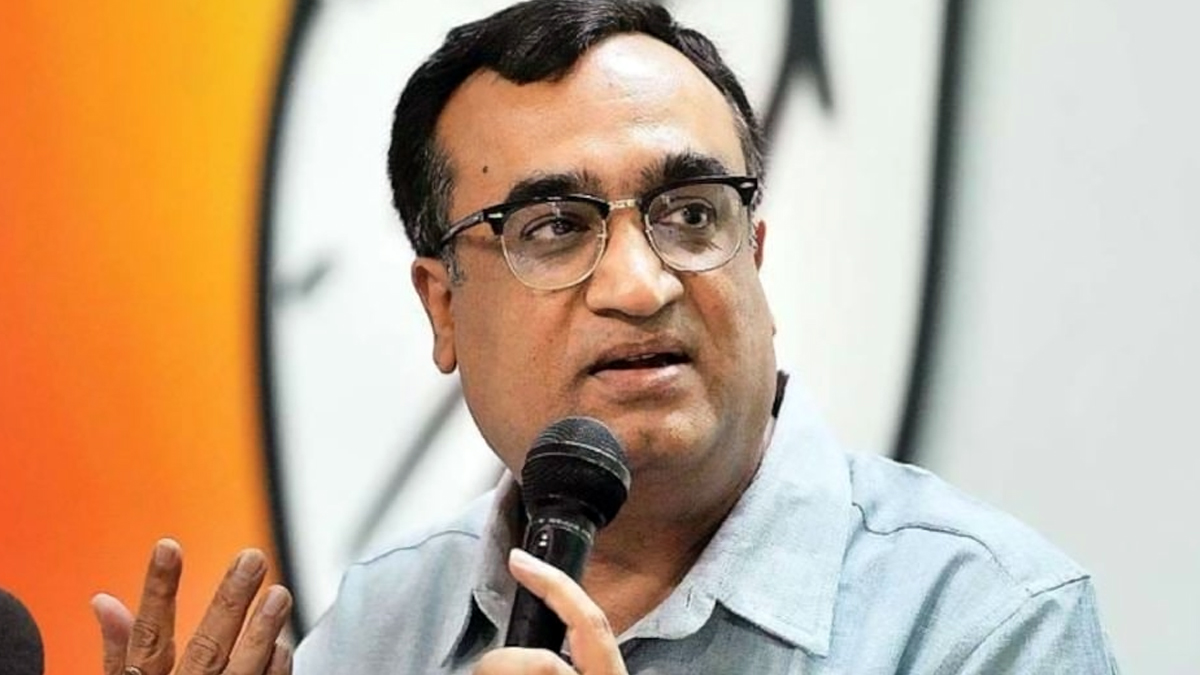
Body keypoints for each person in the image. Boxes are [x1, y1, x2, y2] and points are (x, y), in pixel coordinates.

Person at [93, 1, 1121, 673]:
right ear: (443, 309)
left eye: (691, 214)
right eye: (554, 228)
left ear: (755, 257)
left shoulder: (983, 621)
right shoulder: (385, 623)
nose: (640, 284)